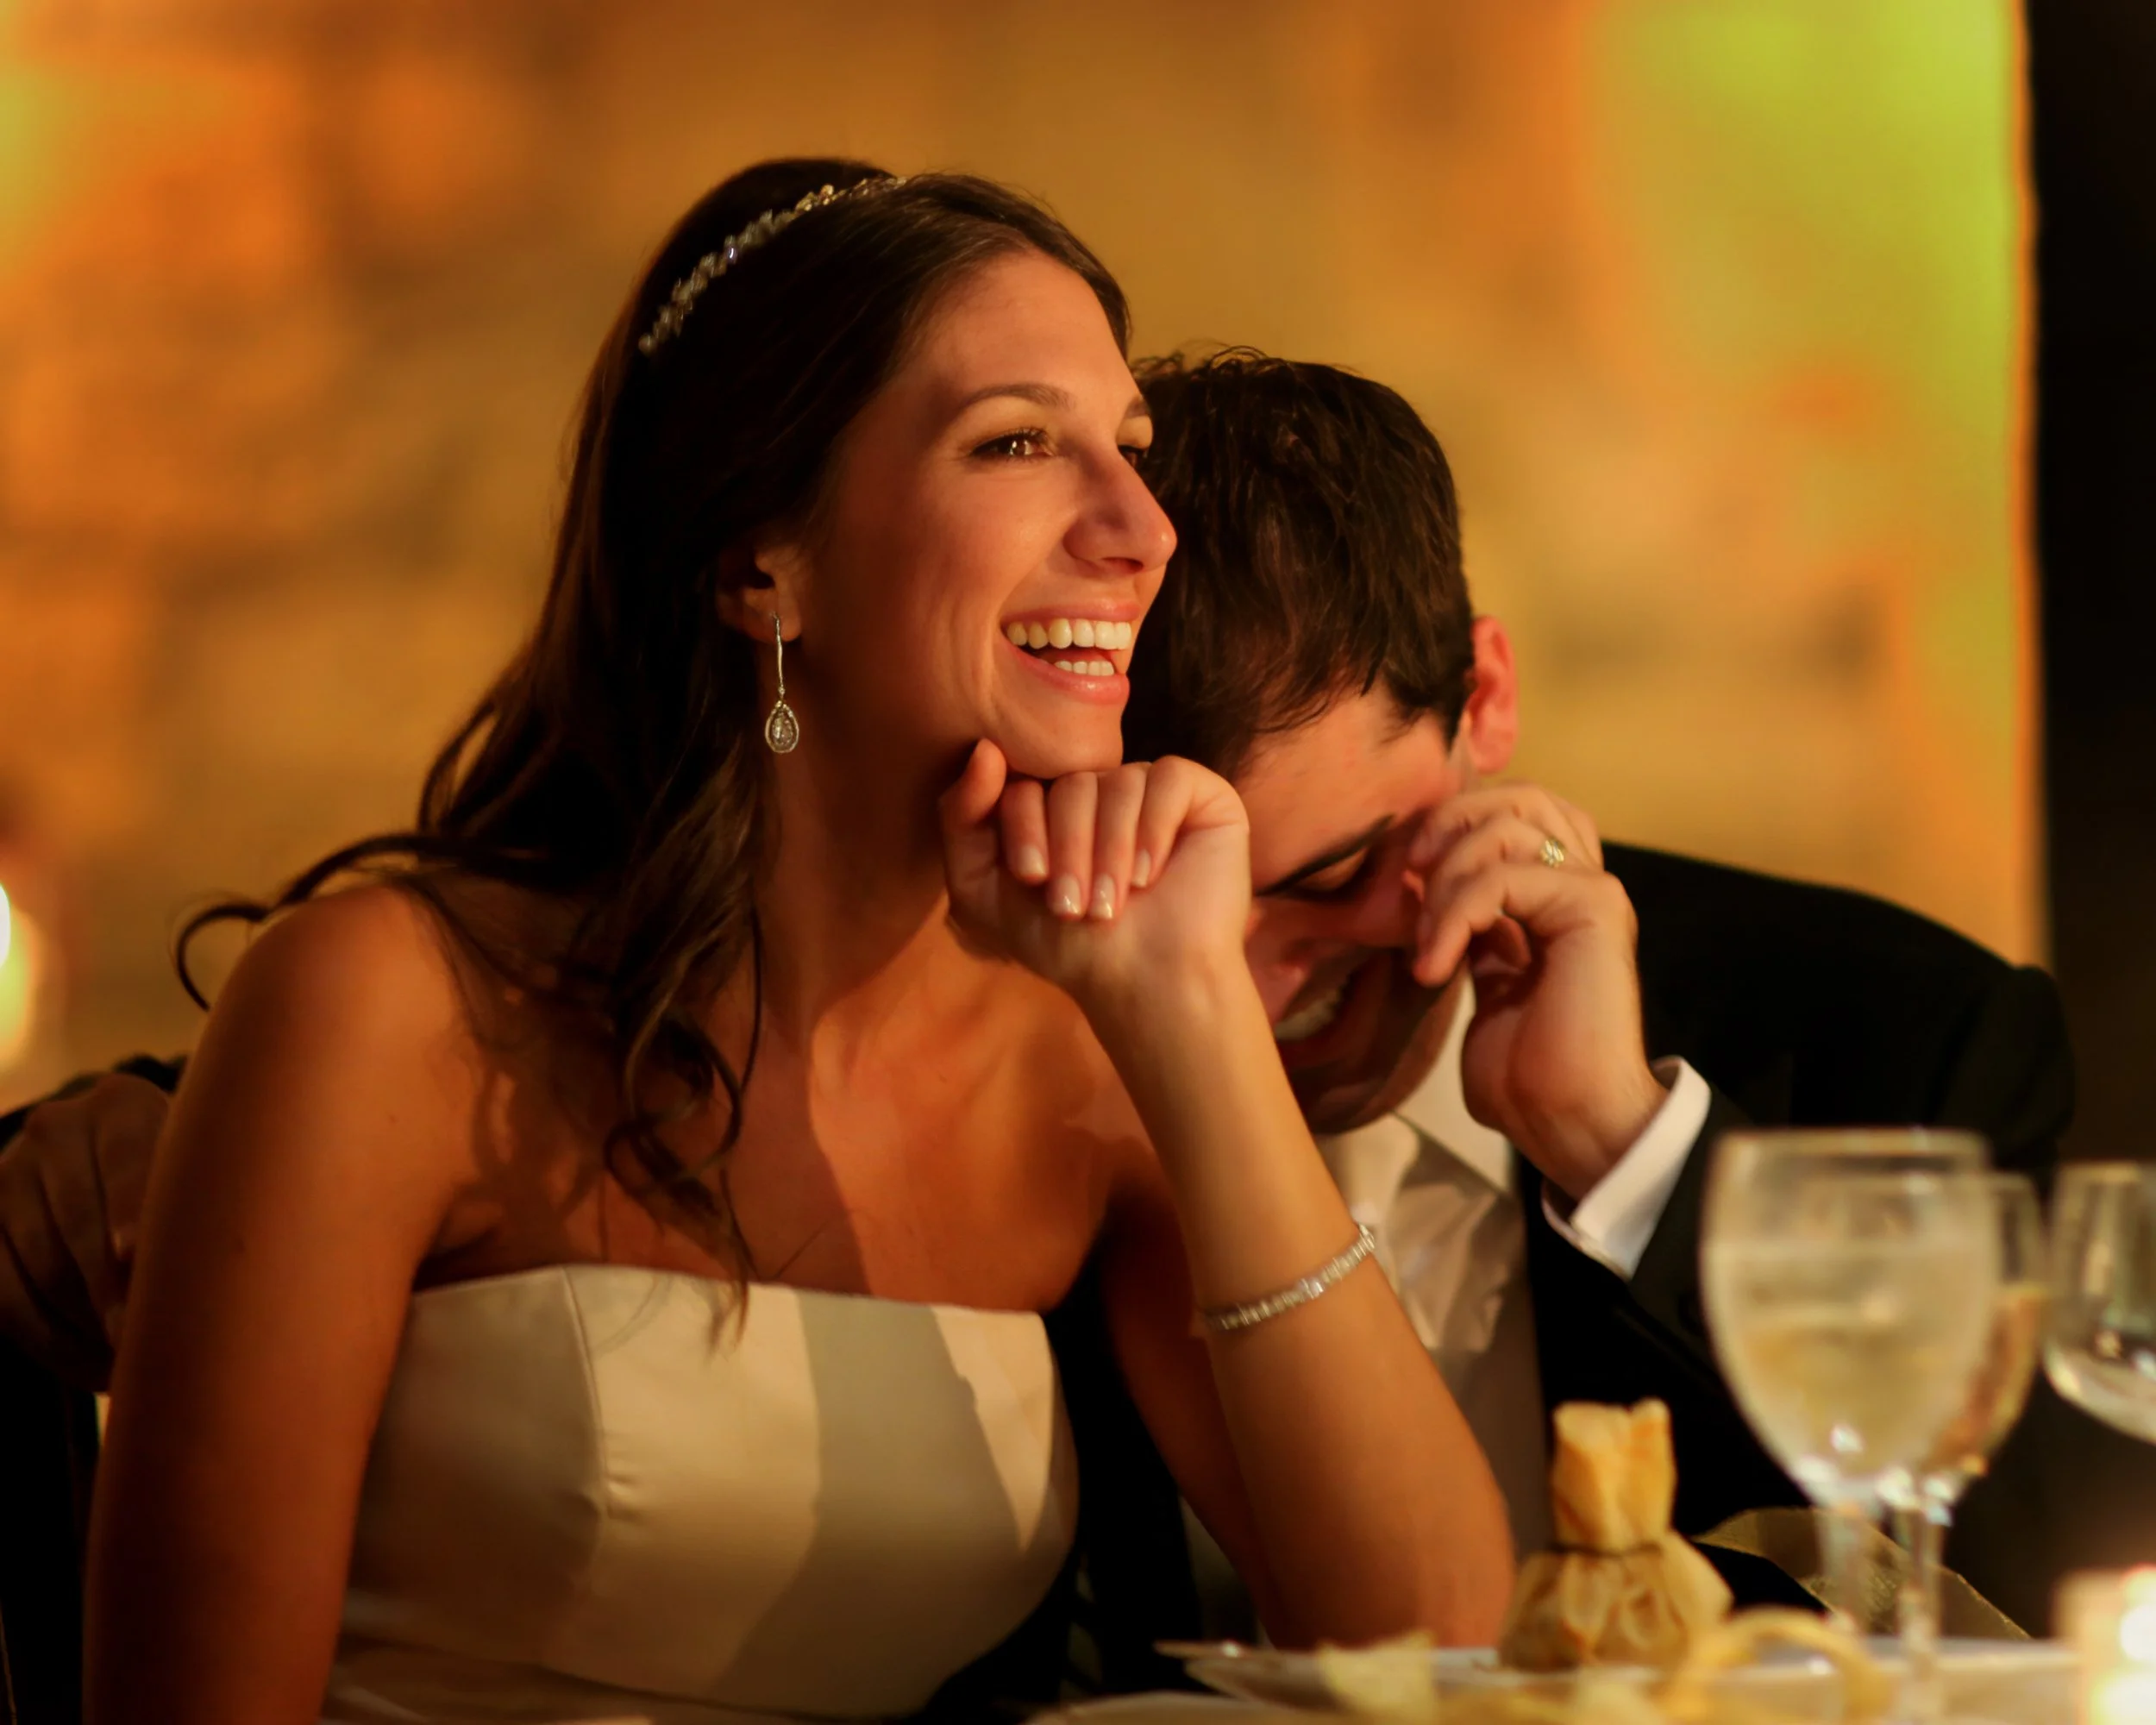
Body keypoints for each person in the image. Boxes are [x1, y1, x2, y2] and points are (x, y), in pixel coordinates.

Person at [67, 170, 1517, 1725]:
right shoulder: (386, 1006)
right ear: (763, 560)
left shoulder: (1087, 1050)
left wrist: (1188, 1008)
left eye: (1132, 452)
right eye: (1020, 444)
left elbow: (1435, 1648)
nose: (1144, 529)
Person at [1105, 348, 2137, 1640]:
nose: (1248, 988)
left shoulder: (1888, 1036)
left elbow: (2076, 1560)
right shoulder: (1023, 1054)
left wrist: (1624, 1148)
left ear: (1483, 699)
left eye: (1338, 873)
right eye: (1179, 898)